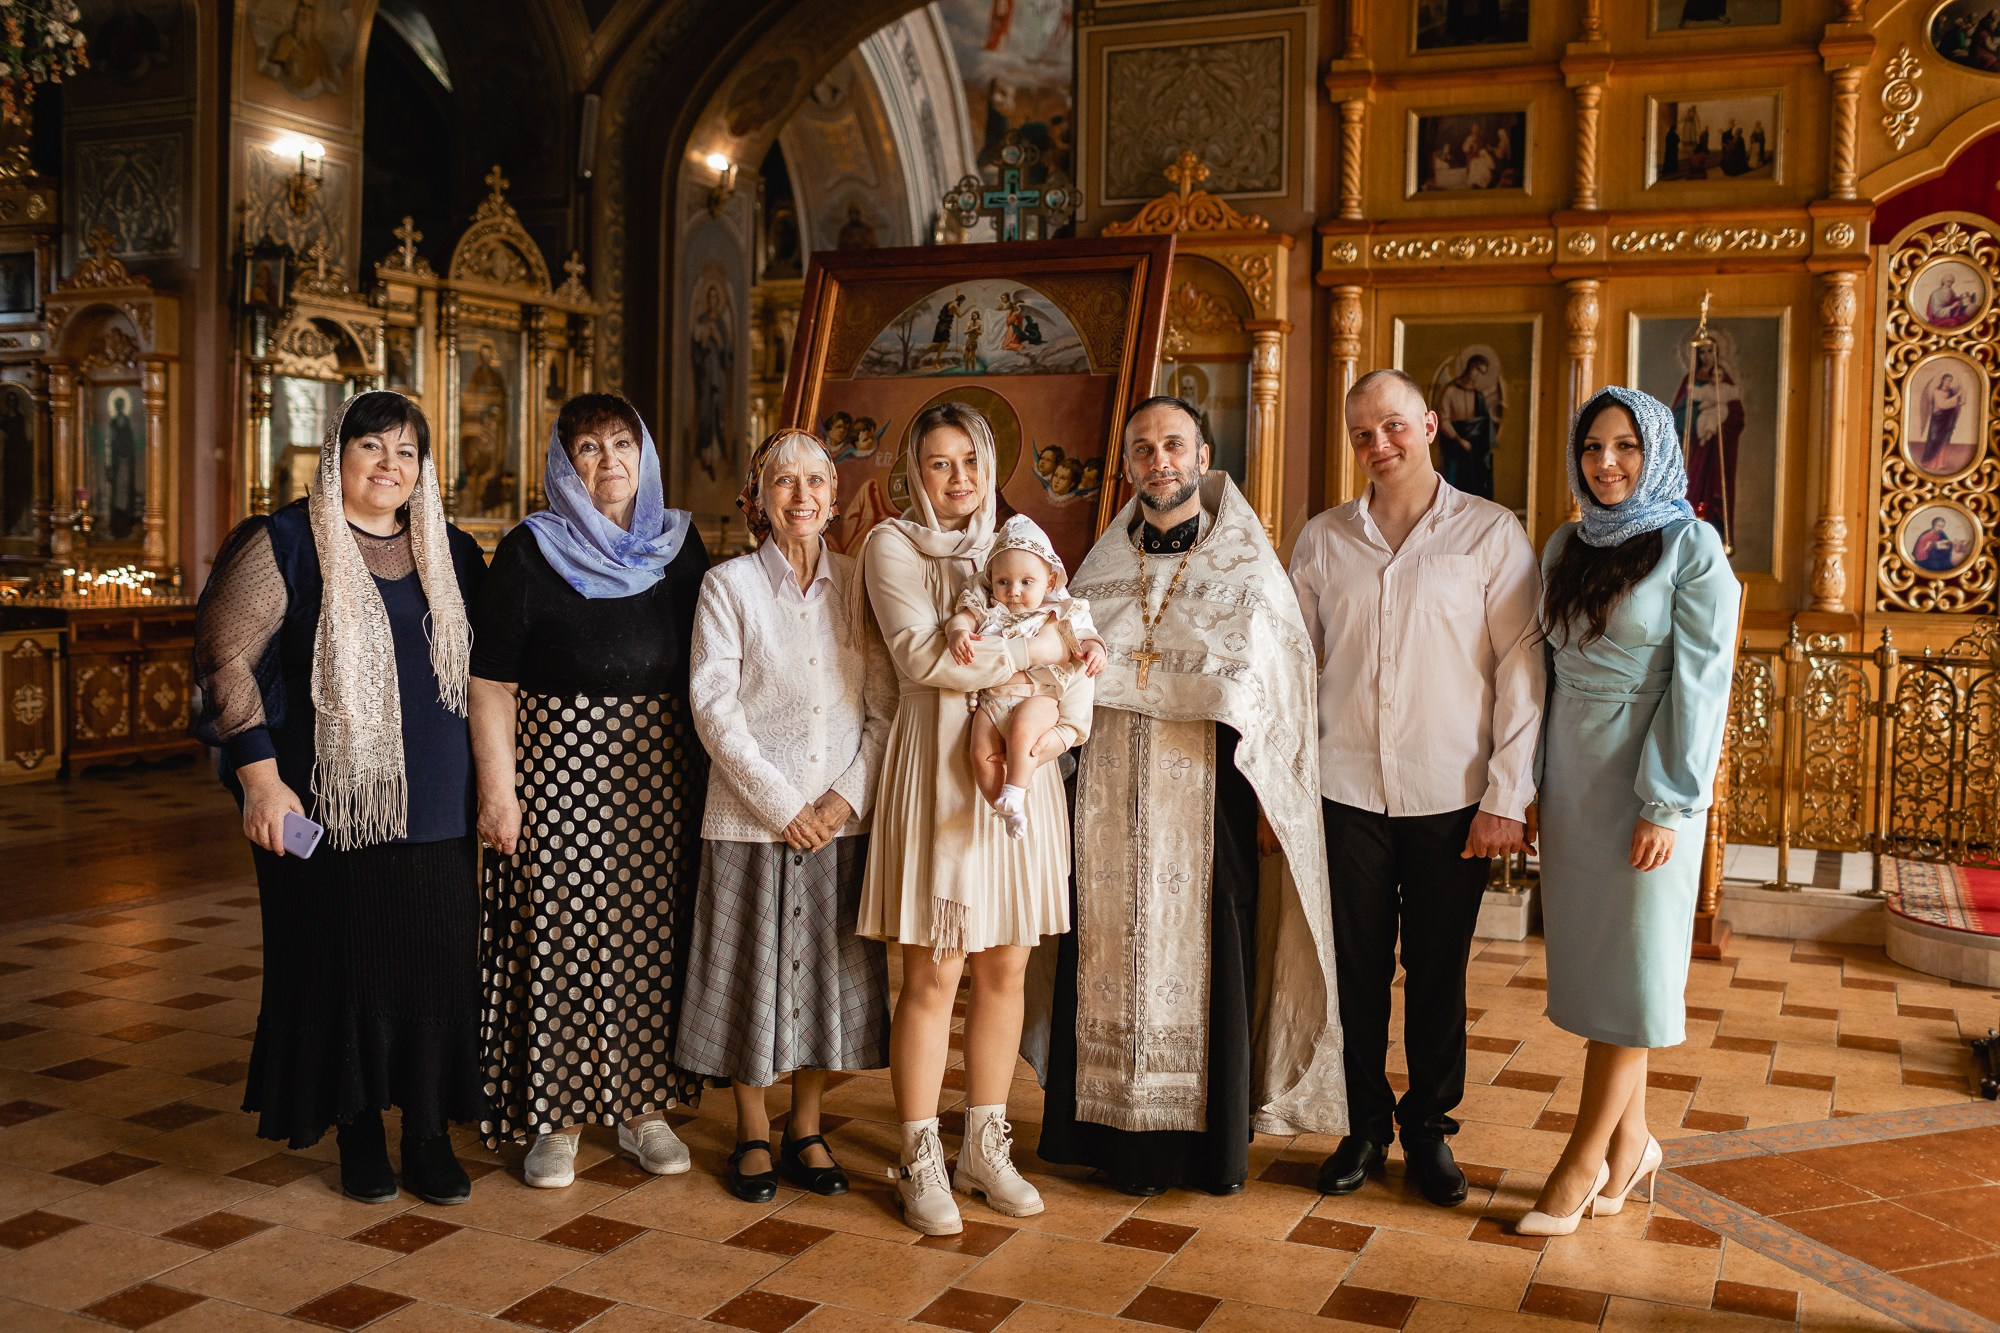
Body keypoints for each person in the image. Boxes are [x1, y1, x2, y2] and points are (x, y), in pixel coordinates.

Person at [1037, 396, 1346, 1197]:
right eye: (1143, 449)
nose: (1159, 460)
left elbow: (1280, 689)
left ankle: (1205, 1153)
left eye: (1174, 444)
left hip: (1209, 800)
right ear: (1130, 466)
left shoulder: (1249, 567)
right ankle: (1101, 1135)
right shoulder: (1101, 569)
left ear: (1203, 455)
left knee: (1211, 950)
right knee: (1102, 951)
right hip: (1107, 799)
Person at [193, 390, 486, 1206]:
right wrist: (258, 775)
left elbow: (487, 674)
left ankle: (428, 1133)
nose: (390, 466)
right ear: (338, 453)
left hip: (436, 804)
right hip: (325, 804)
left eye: (407, 452)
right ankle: (359, 1132)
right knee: (344, 967)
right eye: (372, 447)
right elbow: (225, 658)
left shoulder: (455, 551)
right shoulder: (285, 540)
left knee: (432, 973)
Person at [1289, 369, 1543, 1207]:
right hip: (1346, 787)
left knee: (1438, 970)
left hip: (1452, 793)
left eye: (1393, 426)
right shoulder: (1325, 539)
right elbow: (1297, 670)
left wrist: (1508, 793)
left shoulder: (1491, 533)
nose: (1378, 445)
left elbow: (1522, 668)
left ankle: (1429, 1126)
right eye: (1363, 433)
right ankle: (1363, 1125)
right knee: (1356, 971)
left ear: (1430, 425)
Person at [856, 400, 1096, 1236]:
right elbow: (924, 659)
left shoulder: (1019, 548)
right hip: (939, 779)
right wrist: (1034, 650)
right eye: (937, 464)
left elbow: (1081, 657)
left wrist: (1064, 706)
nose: (957, 480)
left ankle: (982, 1144)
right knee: (935, 972)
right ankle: (919, 1153)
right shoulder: (892, 546)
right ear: (913, 475)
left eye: (969, 462)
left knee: (1006, 967)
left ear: (991, 467)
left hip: (1022, 778)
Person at [469, 392, 710, 1188]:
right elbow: (493, 684)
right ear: (563, 463)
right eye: (587, 449)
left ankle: (642, 1109)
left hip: (658, 773)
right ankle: (557, 1120)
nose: (608, 463)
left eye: (621, 445)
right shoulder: (529, 551)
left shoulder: (680, 548)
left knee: (650, 935)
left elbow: (712, 671)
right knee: (559, 939)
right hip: (553, 768)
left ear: (644, 457)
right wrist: (499, 793)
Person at [1520, 385, 1738, 1236]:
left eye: (1625, 446)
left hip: (1649, 783)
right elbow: (1541, 670)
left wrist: (1668, 800)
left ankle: (1581, 1158)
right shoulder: (1565, 543)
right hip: (1574, 779)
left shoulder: (1692, 545)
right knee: (1604, 971)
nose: (1605, 463)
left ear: (1655, 450)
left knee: (1634, 978)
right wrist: (1533, 781)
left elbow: (1701, 682)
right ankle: (1636, 1142)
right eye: (1591, 448)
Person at [678, 429, 897, 1202]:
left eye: (815, 482)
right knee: (748, 975)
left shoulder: (859, 583)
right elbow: (714, 708)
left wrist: (842, 799)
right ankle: (749, 1129)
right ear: (758, 498)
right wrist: (782, 806)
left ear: (835, 501)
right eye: (783, 482)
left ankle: (806, 1127)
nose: (801, 496)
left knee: (827, 978)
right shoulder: (727, 586)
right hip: (749, 820)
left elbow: (885, 708)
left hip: (839, 819)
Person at [944, 514, 1098, 837]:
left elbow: (1086, 638)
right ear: (991, 581)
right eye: (1003, 582)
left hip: (1037, 696)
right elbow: (961, 620)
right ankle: (1003, 808)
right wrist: (957, 633)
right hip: (991, 701)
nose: (1013, 591)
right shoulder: (987, 608)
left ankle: (1015, 789)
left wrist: (1096, 649)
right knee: (979, 754)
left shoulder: (1057, 612)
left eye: (1027, 582)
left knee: (1022, 732)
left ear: (1050, 582)